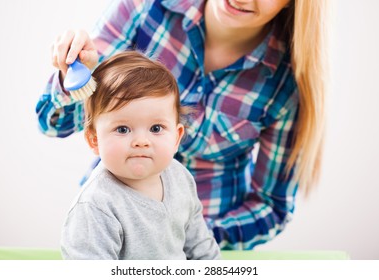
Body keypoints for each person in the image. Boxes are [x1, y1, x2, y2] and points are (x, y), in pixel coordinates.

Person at [37, 0, 328, 249]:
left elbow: (270, 206)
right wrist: (75, 78)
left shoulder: (287, 83)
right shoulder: (146, 8)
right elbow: (53, 123)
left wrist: (193, 237)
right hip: (111, 234)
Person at [61, 51, 221, 260]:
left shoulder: (180, 178)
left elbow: (201, 247)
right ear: (94, 140)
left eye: (156, 128)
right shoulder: (96, 207)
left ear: (176, 137)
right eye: (123, 129)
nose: (141, 141)